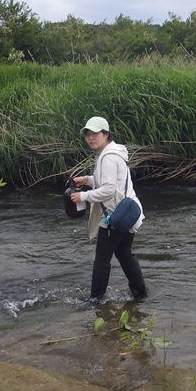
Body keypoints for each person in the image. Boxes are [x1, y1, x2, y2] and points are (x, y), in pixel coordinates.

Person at [69, 116, 147, 300]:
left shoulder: (108, 157)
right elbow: (110, 181)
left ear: (106, 135)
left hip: (114, 216)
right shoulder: (112, 153)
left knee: (102, 261)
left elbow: (109, 190)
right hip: (128, 212)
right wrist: (88, 180)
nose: (90, 138)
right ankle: (140, 293)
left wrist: (83, 196)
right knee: (124, 254)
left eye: (95, 134)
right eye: (87, 134)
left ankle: (95, 301)